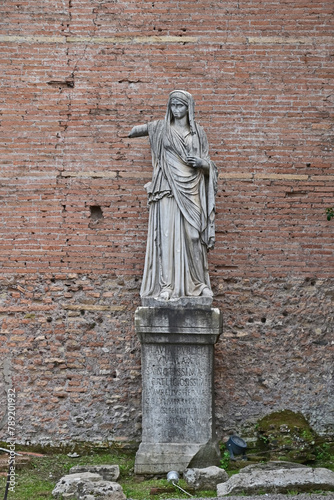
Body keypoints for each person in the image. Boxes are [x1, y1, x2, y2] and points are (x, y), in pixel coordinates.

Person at [129, 90, 217, 301]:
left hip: (191, 188)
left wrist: (202, 164)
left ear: (189, 108)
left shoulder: (198, 133)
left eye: (181, 106)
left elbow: (209, 165)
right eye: (173, 106)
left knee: (194, 236)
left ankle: (199, 283)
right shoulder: (161, 128)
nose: (176, 110)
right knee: (167, 237)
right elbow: (135, 131)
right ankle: (166, 286)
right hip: (166, 187)